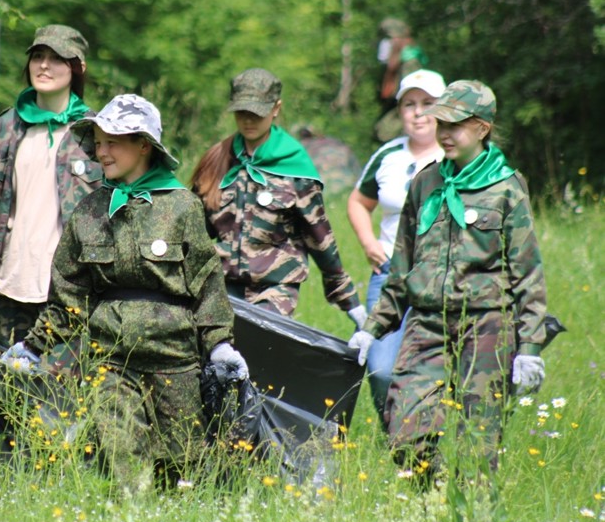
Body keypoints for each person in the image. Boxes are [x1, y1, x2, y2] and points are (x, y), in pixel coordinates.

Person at [4, 94, 245, 486]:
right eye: (98, 142)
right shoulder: (91, 210)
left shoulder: (182, 207)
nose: (102, 152)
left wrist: (219, 344)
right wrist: (33, 346)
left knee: (185, 467)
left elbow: (207, 283)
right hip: (111, 358)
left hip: (174, 358)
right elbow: (70, 295)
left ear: (144, 145)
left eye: (113, 142)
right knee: (122, 460)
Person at [347, 80, 547, 478]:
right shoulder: (426, 182)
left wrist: (529, 346)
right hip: (427, 323)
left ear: (482, 129)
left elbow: (527, 272)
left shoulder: (506, 188)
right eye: (442, 124)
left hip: (487, 324)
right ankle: (431, 494)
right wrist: (373, 328)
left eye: (455, 125)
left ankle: (469, 511)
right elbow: (401, 265)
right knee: (405, 431)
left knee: (479, 442)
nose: (444, 134)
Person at [191, 68, 367, 329]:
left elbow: (320, 240)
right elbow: (193, 231)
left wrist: (352, 305)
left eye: (257, 112)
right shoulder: (218, 159)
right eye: (242, 112)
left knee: (258, 345)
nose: (249, 120)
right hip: (222, 285)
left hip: (275, 289)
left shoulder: (295, 168)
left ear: (276, 108)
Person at [0, 24, 102, 349]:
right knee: (6, 390)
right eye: (37, 56)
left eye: (57, 58)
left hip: (73, 289)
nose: (44, 65)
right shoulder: (3, 129)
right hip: (11, 284)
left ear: (76, 68)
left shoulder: (97, 132)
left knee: (64, 396)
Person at [347, 69, 446, 418]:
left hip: (444, 278)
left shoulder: (457, 155)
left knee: (436, 372)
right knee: (382, 368)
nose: (418, 112)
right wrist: (368, 241)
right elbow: (358, 201)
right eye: (409, 104)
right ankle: (396, 438)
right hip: (389, 275)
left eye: (427, 103)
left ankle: (424, 437)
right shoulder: (388, 155)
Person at [374, 18, 429, 142]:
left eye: (389, 39)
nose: (385, 43)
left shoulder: (410, 63)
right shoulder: (393, 65)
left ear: (401, 40)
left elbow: (412, 99)